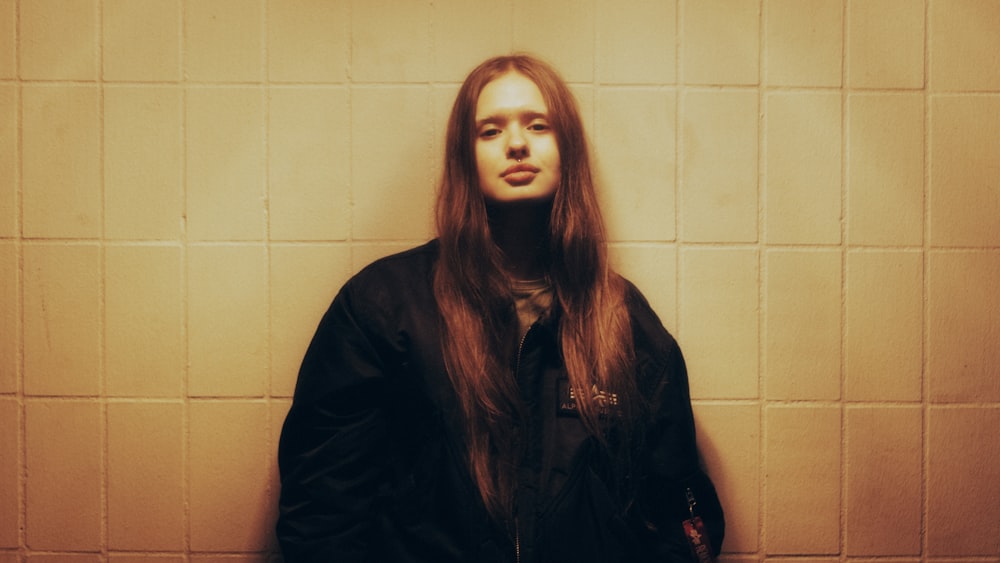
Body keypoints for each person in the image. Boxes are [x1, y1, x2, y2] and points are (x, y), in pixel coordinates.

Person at [276, 54, 724, 563]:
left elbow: (677, 515)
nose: (516, 143)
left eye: (538, 125)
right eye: (490, 131)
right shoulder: (383, 308)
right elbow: (322, 512)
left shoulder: (626, 322)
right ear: (463, 158)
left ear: (568, 150)